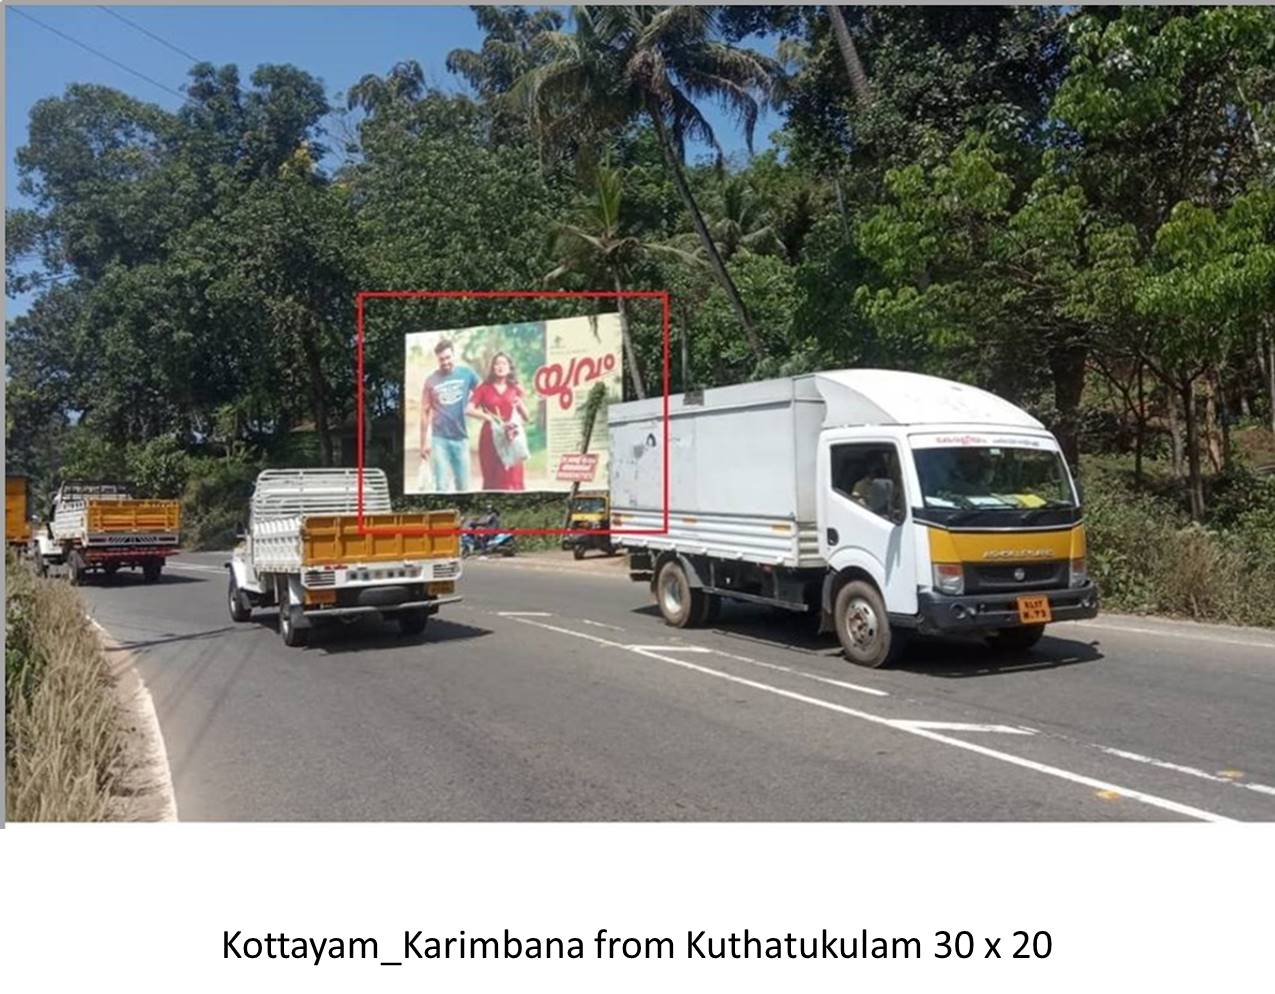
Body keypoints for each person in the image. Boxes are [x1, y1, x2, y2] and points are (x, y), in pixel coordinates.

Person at [420, 338, 480, 493]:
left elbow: (483, 392)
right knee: (441, 486)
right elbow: (425, 412)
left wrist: (477, 408)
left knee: (463, 486)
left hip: (461, 438)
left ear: (454, 355)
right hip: (440, 439)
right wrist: (423, 443)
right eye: (441, 359)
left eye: (448, 358)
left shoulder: (467, 374)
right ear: (437, 360)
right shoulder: (431, 380)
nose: (445, 362)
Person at [468, 351, 531, 491]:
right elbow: (468, 409)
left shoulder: (515, 388)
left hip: (511, 437)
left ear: (509, 368)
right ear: (492, 368)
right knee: (492, 478)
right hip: (490, 437)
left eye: (503, 363)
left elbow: (526, 417)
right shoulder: (484, 388)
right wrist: (487, 417)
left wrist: (520, 404)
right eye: (497, 364)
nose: (500, 366)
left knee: (513, 478)